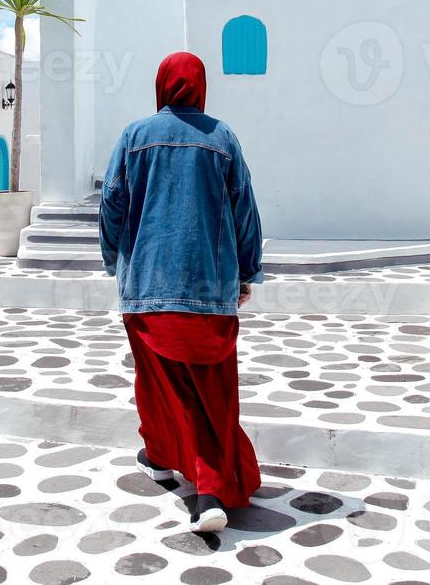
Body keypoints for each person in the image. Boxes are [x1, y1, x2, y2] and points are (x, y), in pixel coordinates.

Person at [99, 51, 264, 534]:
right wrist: (247, 271)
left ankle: (164, 458)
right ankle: (203, 483)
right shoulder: (223, 138)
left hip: (147, 287)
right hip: (209, 290)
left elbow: (112, 204)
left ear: (162, 85)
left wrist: (115, 261)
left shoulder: (133, 137)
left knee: (156, 383)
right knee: (211, 395)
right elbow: (244, 210)